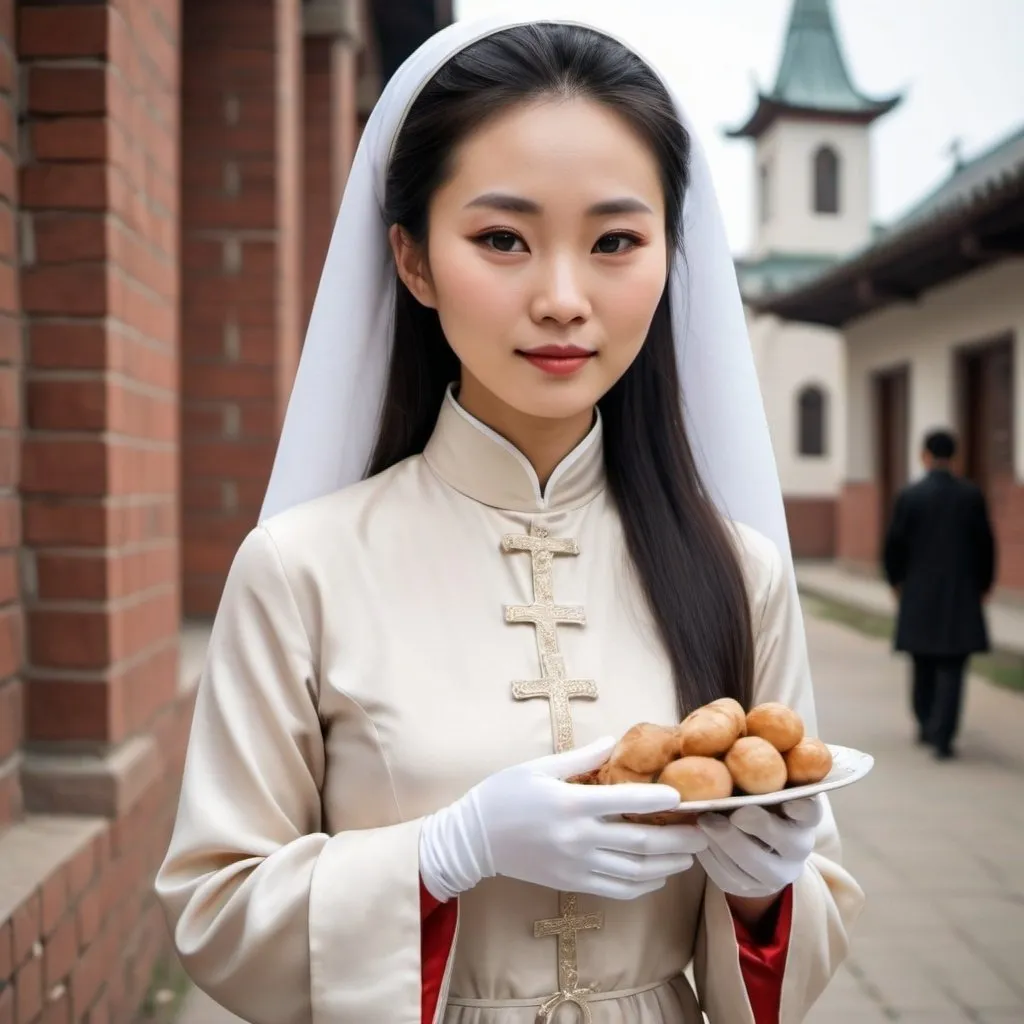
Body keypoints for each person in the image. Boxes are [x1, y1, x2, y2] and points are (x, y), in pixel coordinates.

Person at [155, 13, 864, 1024]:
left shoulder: (737, 569)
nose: (564, 297)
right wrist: (444, 855)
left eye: (616, 239)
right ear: (412, 259)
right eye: (502, 239)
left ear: (671, 254)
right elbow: (215, 911)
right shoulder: (298, 567)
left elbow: (800, 935)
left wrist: (763, 890)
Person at [883, 428, 996, 760]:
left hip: (918, 592)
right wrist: (985, 584)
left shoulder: (910, 495)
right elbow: (986, 545)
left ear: (925, 455)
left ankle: (924, 723)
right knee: (953, 665)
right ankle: (944, 735)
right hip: (961, 594)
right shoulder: (971, 496)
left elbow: (894, 545)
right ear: (955, 458)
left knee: (922, 661)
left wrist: (895, 581)